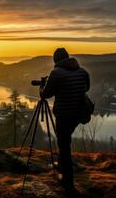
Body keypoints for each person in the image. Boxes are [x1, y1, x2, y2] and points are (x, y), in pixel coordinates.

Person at [40, 48, 90, 193]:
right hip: (77, 115)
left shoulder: (56, 73)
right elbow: (86, 88)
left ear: (56, 60)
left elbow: (45, 94)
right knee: (65, 140)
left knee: (64, 145)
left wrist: (44, 84)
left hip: (63, 115)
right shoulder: (83, 72)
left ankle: (67, 181)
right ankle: (61, 165)